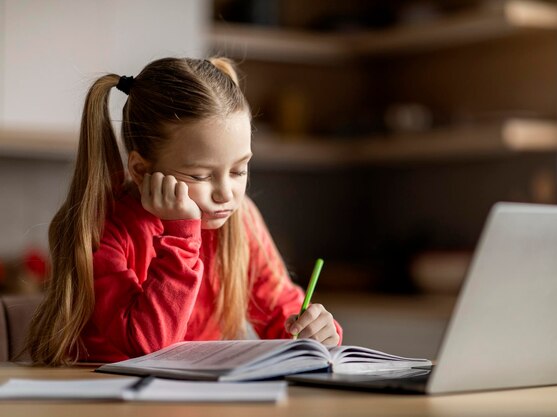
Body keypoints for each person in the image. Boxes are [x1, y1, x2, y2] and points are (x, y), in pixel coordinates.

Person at [25, 57, 342, 365]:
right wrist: (181, 235)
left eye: (238, 170)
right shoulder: (101, 227)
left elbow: (283, 320)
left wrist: (313, 332)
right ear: (140, 169)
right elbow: (148, 346)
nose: (225, 193)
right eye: (201, 176)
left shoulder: (241, 219)